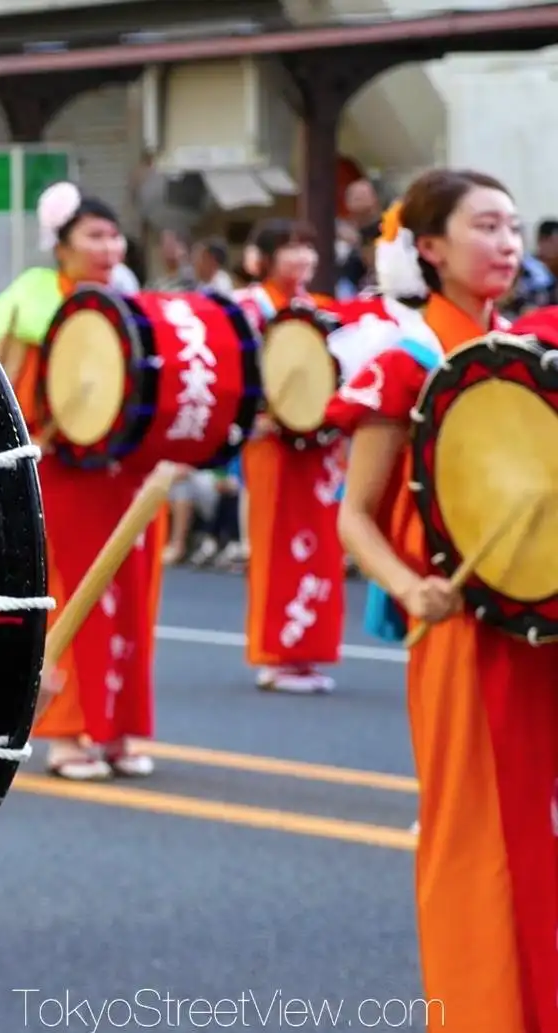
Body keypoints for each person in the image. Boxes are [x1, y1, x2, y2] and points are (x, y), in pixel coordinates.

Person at [326, 169, 558, 1033]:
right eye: (485, 226)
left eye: (512, 227)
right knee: (473, 828)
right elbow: (356, 515)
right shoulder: (406, 353)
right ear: (427, 246)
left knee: (537, 825)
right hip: (461, 627)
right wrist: (408, 586)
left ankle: (530, 1032)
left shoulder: (524, 351)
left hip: (536, 626)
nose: (506, 242)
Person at [0, 182, 167, 781]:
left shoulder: (134, 305)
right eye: (94, 235)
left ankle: (118, 732)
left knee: (133, 602)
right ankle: (66, 734)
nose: (109, 246)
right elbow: (2, 386)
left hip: (128, 476)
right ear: (60, 245)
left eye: (114, 235)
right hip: (65, 474)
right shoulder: (30, 303)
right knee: (74, 597)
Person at [229, 219, 347, 694]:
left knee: (319, 544)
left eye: (307, 248)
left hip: (317, 444)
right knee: (277, 544)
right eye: (290, 249)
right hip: (271, 441)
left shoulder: (318, 309)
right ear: (261, 259)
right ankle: (276, 654)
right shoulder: (246, 308)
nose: (302, 259)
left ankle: (307, 653)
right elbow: (234, 366)